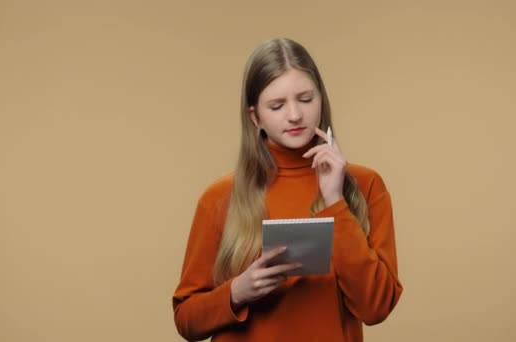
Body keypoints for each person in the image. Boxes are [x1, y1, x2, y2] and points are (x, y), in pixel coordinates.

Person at [172, 38, 403, 342]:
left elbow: (376, 307)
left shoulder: (365, 185)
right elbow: (186, 320)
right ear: (255, 117)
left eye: (306, 99)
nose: (295, 115)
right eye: (277, 105)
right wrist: (237, 292)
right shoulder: (220, 197)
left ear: (322, 100)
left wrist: (335, 200)